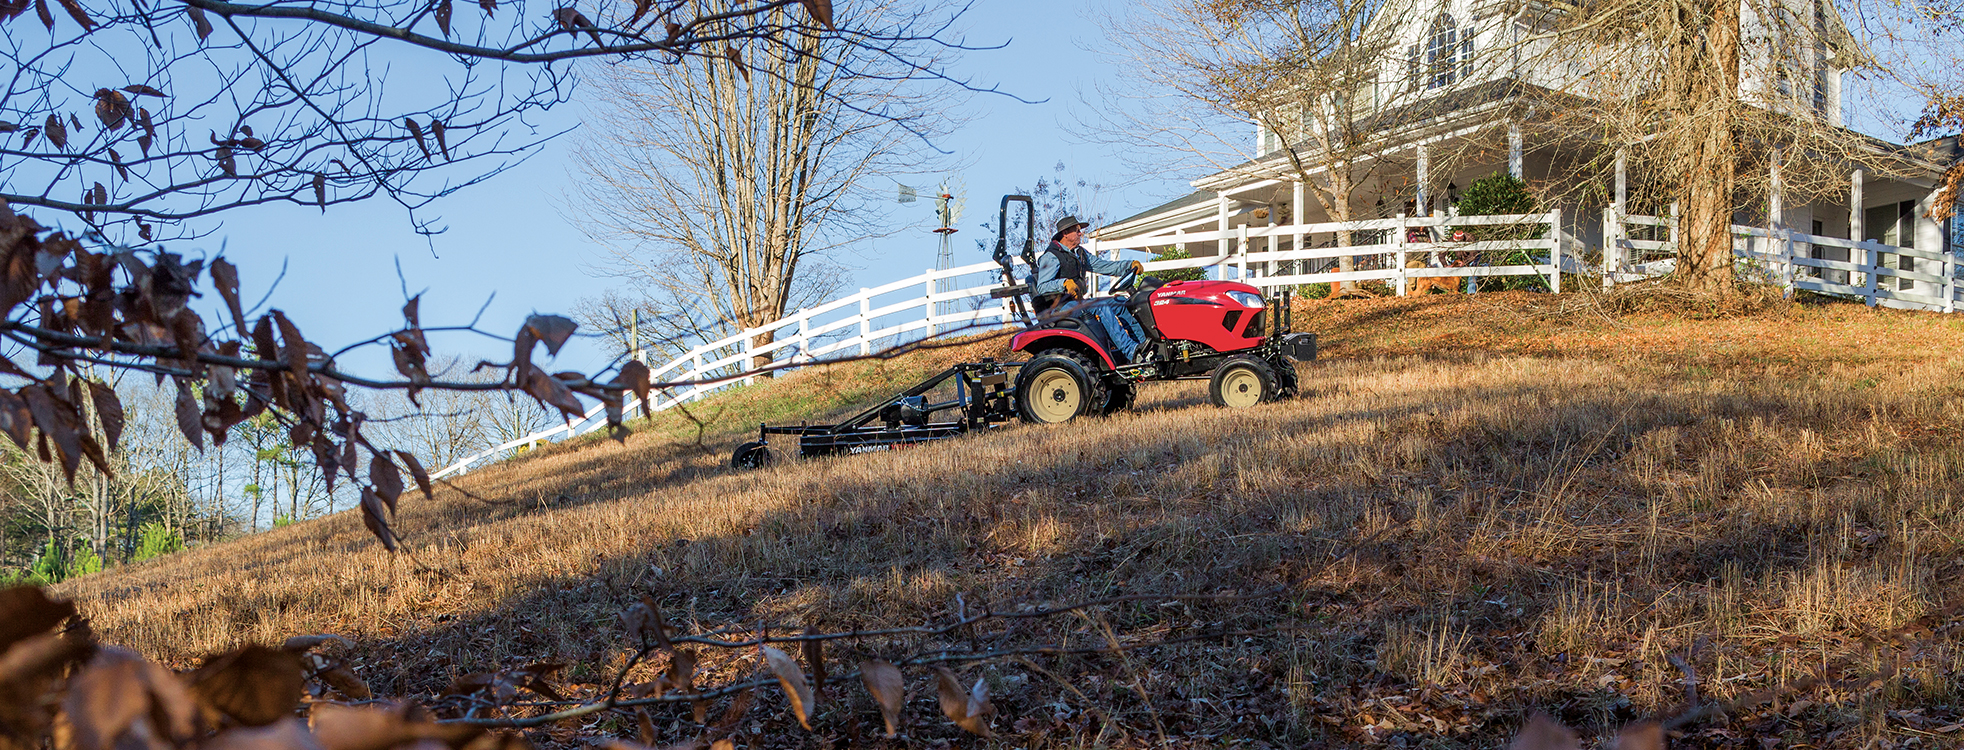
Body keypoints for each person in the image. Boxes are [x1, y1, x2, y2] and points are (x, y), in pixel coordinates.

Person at [1030, 215, 1150, 363]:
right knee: (1100, 307)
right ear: (1065, 233)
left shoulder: (1080, 254)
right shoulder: (1051, 256)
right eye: (1077, 231)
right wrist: (1063, 284)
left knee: (1120, 302)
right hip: (1059, 308)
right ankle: (1131, 352)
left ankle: (1143, 348)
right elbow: (1042, 286)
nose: (1081, 233)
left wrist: (1128, 265)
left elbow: (1103, 266)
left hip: (1076, 304)